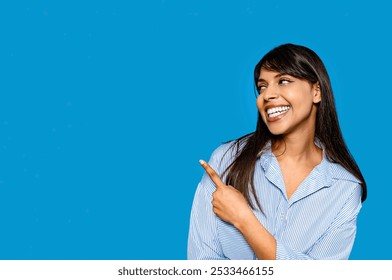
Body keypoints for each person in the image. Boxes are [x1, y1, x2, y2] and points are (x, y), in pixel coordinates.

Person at [187, 43, 367, 260]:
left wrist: (244, 219)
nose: (267, 95)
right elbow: (202, 264)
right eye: (262, 86)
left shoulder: (345, 188)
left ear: (316, 91)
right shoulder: (226, 160)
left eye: (283, 81)